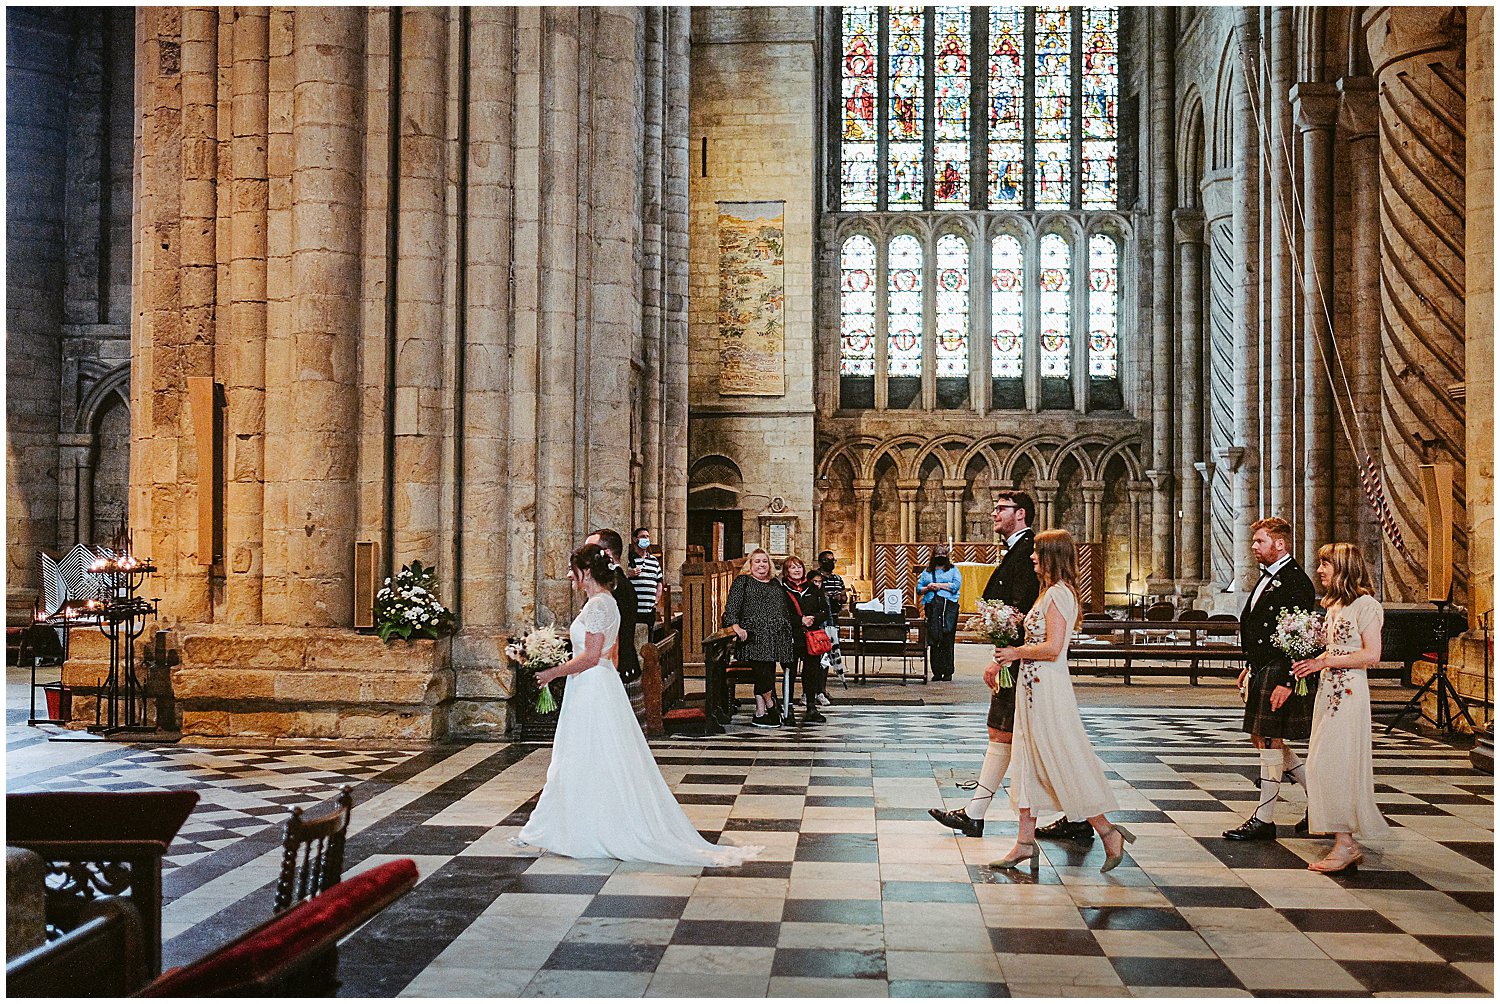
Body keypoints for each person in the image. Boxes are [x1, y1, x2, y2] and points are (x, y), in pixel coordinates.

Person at [516, 543, 760, 866]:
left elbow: (590, 658)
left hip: (592, 685)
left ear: (586, 573)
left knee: (587, 755)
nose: (568, 576)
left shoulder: (598, 606)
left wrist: (551, 672)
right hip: (594, 685)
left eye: (573, 570)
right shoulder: (602, 603)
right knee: (584, 755)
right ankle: (573, 821)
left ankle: (592, 826)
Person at [988, 529, 1136, 873]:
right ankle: (1025, 842)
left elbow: (1054, 648)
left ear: (1052, 556)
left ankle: (1107, 832)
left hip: (1048, 689)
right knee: (1028, 761)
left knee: (1061, 760)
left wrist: (1015, 652)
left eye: (1038, 552)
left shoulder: (1060, 595)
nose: (1032, 557)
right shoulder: (1046, 594)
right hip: (1031, 688)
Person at [931, 492, 1050, 839]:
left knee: (1030, 740)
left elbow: (1020, 610)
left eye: (1001, 509)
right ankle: (975, 813)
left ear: (1021, 513)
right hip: (1012, 657)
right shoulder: (1017, 548)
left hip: (1020, 661)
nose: (994, 514)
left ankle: (1080, 817)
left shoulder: (1029, 551)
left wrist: (1004, 659)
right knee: (1002, 733)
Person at [1293, 543, 1389, 872]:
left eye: (1326, 564)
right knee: (1321, 765)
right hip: (1328, 691)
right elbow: (1333, 648)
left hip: (1349, 694)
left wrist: (1326, 661)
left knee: (1336, 764)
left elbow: (1371, 655)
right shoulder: (1334, 606)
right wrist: (1311, 661)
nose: (1319, 570)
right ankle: (1343, 839)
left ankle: (1345, 844)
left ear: (1344, 567)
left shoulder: (1366, 605)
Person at [1224, 516, 1318, 841]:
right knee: (1262, 738)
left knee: (1268, 741)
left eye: (1259, 541)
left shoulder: (1296, 581)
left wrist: (1289, 681)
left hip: (1281, 670)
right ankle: (1319, 799)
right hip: (1264, 668)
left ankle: (1264, 818)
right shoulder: (1269, 577)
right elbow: (1258, 627)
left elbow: (1302, 636)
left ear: (1279, 543)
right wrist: (1250, 665)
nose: (1254, 547)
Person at [721, 549, 797, 728]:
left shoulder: (774, 584)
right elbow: (731, 607)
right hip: (754, 636)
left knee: (767, 672)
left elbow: (784, 608)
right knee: (763, 672)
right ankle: (771, 707)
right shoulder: (743, 581)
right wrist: (736, 626)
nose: (761, 565)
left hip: (776, 637)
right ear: (750, 565)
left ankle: (759, 713)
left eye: (764, 561)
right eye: (757, 561)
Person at [780, 555, 830, 724]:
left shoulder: (813, 589)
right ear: (787, 571)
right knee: (790, 673)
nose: (797, 570)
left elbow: (824, 610)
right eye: (792, 567)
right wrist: (799, 620)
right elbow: (781, 615)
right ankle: (789, 707)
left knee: (811, 673)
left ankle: (811, 707)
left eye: (799, 567)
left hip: (810, 638)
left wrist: (813, 619)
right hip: (791, 638)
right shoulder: (782, 590)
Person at [586, 529, 640, 683]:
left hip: (617, 670)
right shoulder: (615, 582)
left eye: (589, 550)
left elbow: (614, 636)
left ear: (606, 554)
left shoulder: (614, 586)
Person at [918, 545, 961, 681]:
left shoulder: (953, 570)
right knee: (935, 638)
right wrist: (928, 587)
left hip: (948, 607)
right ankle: (936, 671)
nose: (940, 557)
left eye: (943, 554)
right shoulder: (928, 571)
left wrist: (939, 586)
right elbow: (919, 588)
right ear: (934, 556)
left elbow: (956, 585)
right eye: (938, 554)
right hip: (932, 606)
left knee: (947, 638)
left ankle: (948, 671)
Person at [816, 551, 848, 703]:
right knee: (818, 657)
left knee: (828, 656)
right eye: (828, 560)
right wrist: (826, 597)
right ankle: (815, 690)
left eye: (833, 560)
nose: (831, 563)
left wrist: (840, 597)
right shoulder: (816, 578)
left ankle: (822, 689)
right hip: (820, 622)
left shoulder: (837, 578)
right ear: (821, 562)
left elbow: (844, 596)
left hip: (833, 621)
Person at [626, 527, 664, 654]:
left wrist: (656, 600)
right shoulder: (628, 560)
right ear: (635, 539)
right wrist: (628, 574)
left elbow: (659, 582)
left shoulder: (653, 561)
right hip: (633, 609)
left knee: (649, 642)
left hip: (649, 609)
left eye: (647, 537)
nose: (646, 539)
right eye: (642, 536)